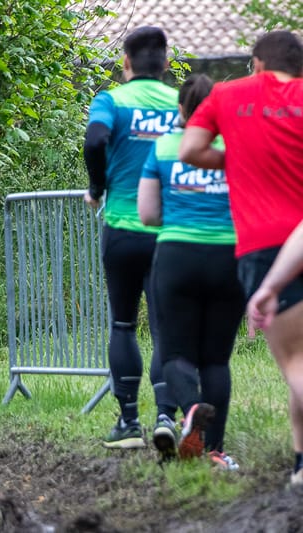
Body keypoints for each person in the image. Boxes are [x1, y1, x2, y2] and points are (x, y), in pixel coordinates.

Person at [179, 30, 303, 485]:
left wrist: (236, 160)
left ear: (254, 63)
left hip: (265, 247)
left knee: (296, 363)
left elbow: (191, 149)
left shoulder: (228, 96)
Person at [137, 74, 242, 470]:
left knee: (176, 352)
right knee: (216, 360)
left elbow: (147, 214)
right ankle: (215, 451)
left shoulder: (165, 146)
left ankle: (191, 407)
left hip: (176, 255)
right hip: (227, 256)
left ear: (181, 108)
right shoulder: (234, 147)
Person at [83, 26, 179, 449]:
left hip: (122, 226)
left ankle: (127, 424)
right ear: (166, 62)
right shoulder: (181, 105)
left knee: (123, 323)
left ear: (125, 62)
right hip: (170, 231)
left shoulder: (111, 100)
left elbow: (95, 139)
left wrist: (97, 187)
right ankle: (165, 417)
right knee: (164, 327)